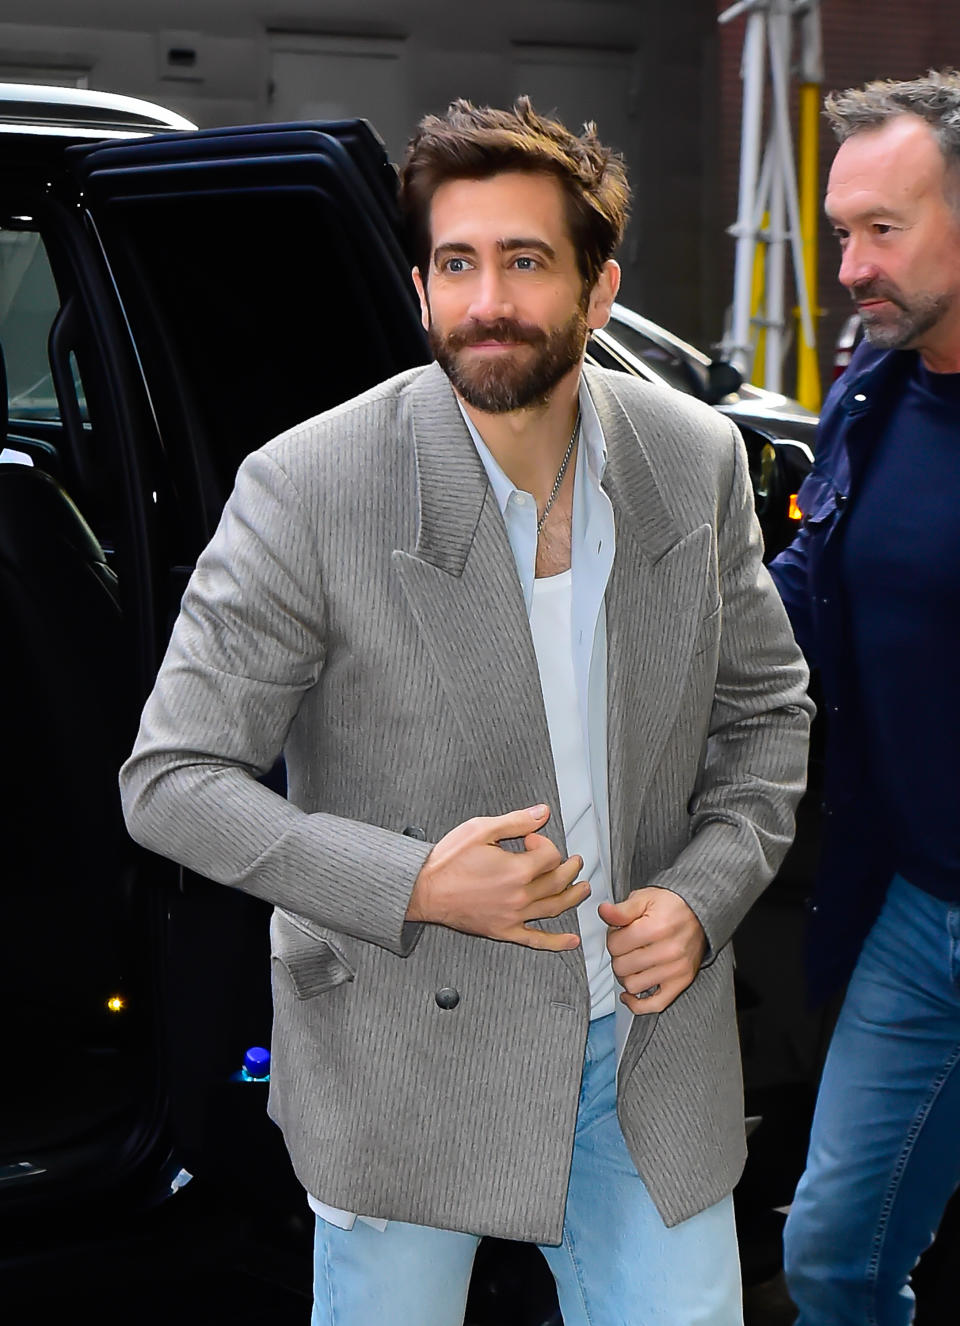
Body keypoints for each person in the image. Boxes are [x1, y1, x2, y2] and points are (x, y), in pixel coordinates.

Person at [120, 97, 811, 1326]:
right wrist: (414, 883)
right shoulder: (308, 485)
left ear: (599, 294)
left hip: (643, 1042)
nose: (486, 298)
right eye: (457, 262)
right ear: (424, 288)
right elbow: (171, 778)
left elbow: (766, 714)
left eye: (526, 260)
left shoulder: (693, 459)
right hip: (409, 1040)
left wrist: (703, 901)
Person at [770, 71, 960, 1326]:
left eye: (883, 230)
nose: (851, 266)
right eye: (844, 231)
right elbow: (797, 598)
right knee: (832, 1256)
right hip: (916, 907)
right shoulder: (873, 398)